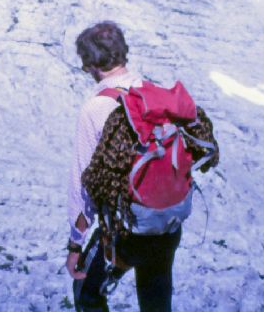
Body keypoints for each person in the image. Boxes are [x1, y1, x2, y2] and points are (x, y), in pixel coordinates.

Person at [66, 21, 217, 312]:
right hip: (168, 225)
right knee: (156, 301)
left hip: (125, 233)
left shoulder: (96, 108)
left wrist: (75, 245)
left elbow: (82, 185)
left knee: (86, 290)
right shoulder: (156, 96)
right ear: (123, 54)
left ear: (90, 65)